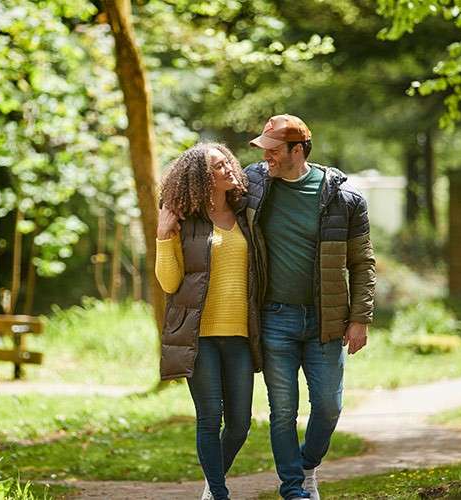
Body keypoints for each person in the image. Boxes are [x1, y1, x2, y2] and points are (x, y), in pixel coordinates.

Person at [243, 115, 376, 500]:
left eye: (272, 149)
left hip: (327, 320)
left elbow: (362, 262)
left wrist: (360, 318)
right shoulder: (254, 186)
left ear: (296, 150)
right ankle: (293, 490)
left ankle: (307, 466)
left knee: (329, 407)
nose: (265, 156)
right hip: (275, 318)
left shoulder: (344, 199)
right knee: (282, 411)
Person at [155, 142, 262, 500]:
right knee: (208, 419)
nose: (230, 168)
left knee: (240, 424)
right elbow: (169, 283)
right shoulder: (186, 223)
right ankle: (218, 493)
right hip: (199, 337)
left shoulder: (246, 216)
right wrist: (163, 236)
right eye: (219, 166)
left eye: (227, 161)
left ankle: (210, 484)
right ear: (202, 179)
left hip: (240, 337)